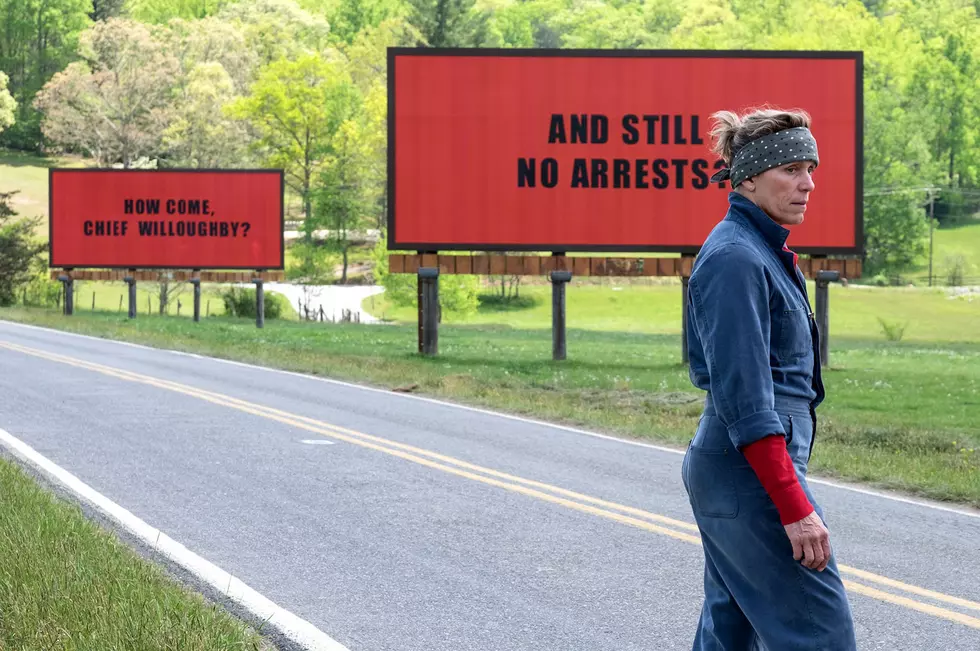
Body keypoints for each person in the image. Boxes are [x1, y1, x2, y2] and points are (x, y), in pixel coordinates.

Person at [681, 107, 857, 650]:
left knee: (729, 633)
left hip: (740, 471)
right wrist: (794, 505)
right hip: (749, 472)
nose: (808, 184)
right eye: (791, 169)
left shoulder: (758, 249)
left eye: (811, 169)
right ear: (749, 178)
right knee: (819, 634)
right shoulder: (736, 258)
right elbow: (747, 400)